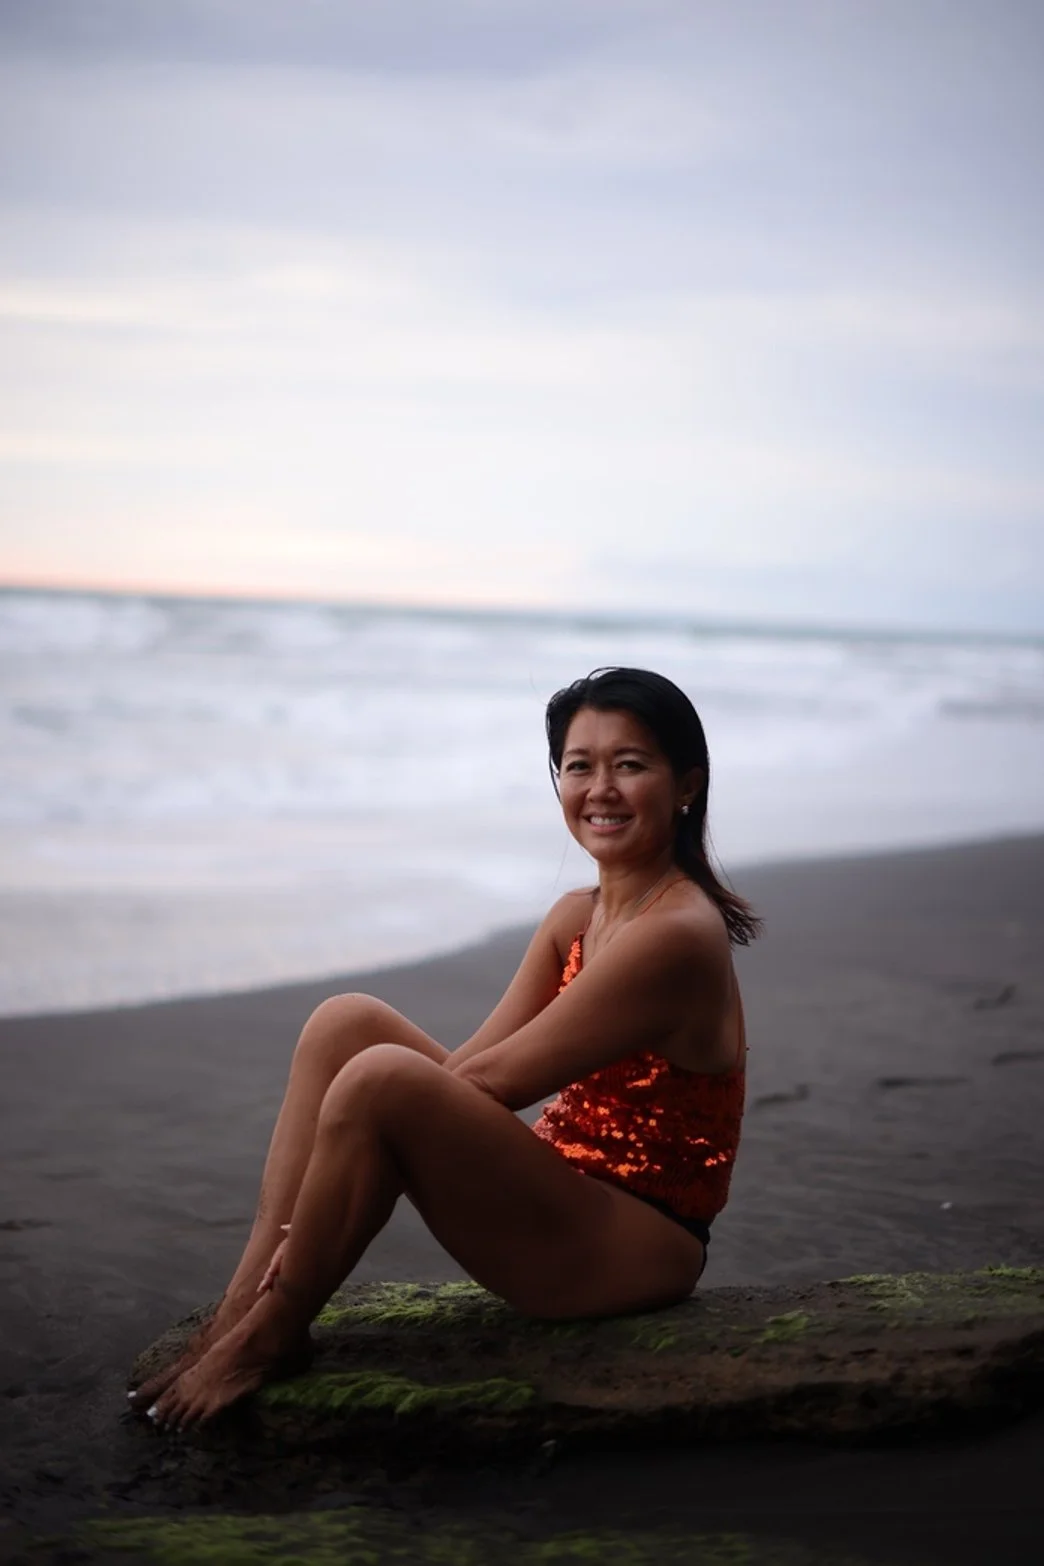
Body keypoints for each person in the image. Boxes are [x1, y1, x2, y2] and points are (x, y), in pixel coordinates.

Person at [132, 666, 760, 1429]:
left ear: (686, 784)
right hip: (560, 1193)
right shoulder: (577, 917)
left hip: (628, 1250)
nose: (600, 789)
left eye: (630, 764)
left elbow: (496, 1081)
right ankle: (244, 1307)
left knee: (379, 1079)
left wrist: (337, 1186)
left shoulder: (677, 936)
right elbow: (472, 1062)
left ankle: (273, 1330)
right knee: (347, 1024)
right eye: (578, 765)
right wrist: (327, 1191)